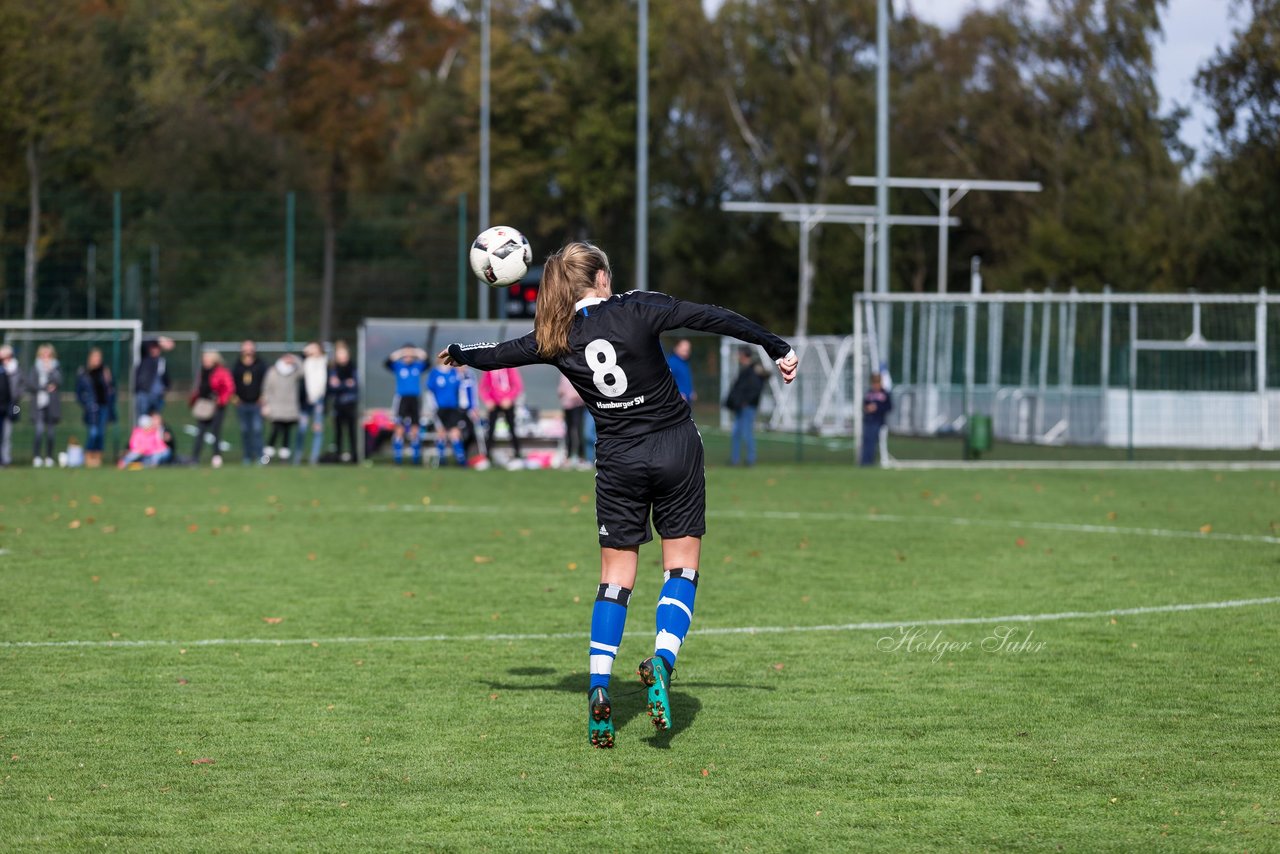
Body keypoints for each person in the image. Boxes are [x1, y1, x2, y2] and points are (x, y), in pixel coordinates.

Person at [437, 241, 797, 748]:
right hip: (675, 448)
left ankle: (600, 687)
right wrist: (773, 343)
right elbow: (710, 317)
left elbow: (499, 355)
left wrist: (459, 354)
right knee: (682, 568)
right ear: (602, 278)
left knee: (615, 579)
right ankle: (663, 660)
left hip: (619, 461)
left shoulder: (553, 336)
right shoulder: (638, 307)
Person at [725, 346, 769, 467]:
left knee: (747, 433)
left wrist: (746, 402)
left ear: (743, 355)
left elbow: (755, 389)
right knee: (736, 433)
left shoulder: (753, 370)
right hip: (740, 406)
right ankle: (735, 460)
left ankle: (751, 460)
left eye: (739, 354)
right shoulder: (745, 369)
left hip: (747, 407)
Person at [190, 349, 234, 466]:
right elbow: (198, 388)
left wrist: (221, 400)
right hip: (203, 404)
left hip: (216, 406)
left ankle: (216, 456)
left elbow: (229, 388)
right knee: (200, 432)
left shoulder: (221, 372)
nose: (205, 361)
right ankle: (195, 457)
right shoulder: (202, 372)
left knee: (216, 432)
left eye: (207, 359)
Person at [427, 354, 472, 467]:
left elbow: (461, 389)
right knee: (441, 433)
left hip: (453, 408)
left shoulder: (454, 373)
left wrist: (464, 405)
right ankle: (441, 460)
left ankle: (461, 460)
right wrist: (432, 407)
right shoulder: (435, 373)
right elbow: (430, 392)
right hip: (440, 408)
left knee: (455, 433)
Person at [385, 345, 428, 465]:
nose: (408, 357)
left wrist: (415, 352)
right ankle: (398, 458)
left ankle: (416, 458)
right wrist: (401, 352)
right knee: (399, 427)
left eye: (410, 355)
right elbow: (387, 362)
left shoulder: (417, 366)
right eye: (406, 355)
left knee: (415, 427)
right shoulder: (398, 366)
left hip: (415, 399)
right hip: (402, 399)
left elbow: (427, 361)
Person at [75, 347, 116, 468]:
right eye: (95, 357)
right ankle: (88, 455)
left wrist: (109, 381)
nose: (97, 359)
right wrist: (86, 403)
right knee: (93, 432)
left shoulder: (105, 371)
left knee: (101, 433)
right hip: (92, 408)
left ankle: (97, 458)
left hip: (104, 406)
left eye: (99, 357)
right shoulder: (84, 372)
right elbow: (79, 392)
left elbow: (111, 390)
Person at [262, 353, 302, 462]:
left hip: (290, 408)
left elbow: (302, 370)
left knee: (287, 433)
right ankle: (267, 456)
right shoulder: (273, 371)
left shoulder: (294, 371)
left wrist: (295, 359)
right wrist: (266, 404)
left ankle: (284, 457)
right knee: (275, 431)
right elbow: (267, 388)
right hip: (276, 407)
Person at [27, 344, 62, 468]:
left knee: (51, 433)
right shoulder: (35, 368)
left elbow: (59, 381)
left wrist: (51, 371)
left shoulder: (56, 367)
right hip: (39, 404)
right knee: (39, 431)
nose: (46, 357)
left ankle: (49, 457)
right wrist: (44, 388)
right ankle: (36, 456)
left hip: (52, 405)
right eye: (43, 355)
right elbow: (30, 384)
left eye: (48, 354)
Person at [479, 365, 523, 463]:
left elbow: (517, 385)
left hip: (507, 403)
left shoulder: (510, 368)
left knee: (512, 428)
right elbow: (483, 387)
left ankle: (517, 454)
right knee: (490, 430)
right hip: (494, 403)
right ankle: (487, 456)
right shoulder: (489, 369)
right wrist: (488, 400)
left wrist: (509, 398)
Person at [233, 340, 268, 465]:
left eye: (250, 348)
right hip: (242, 404)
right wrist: (235, 399)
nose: (248, 351)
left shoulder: (261, 365)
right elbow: (232, 384)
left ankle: (261, 457)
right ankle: (247, 456)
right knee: (245, 431)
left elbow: (267, 383)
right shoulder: (237, 365)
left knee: (257, 430)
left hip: (256, 404)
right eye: (245, 348)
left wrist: (263, 397)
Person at [328, 341, 359, 462]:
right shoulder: (333, 369)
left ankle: (354, 455)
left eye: (344, 354)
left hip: (350, 404)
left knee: (352, 431)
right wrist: (345, 384)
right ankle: (337, 455)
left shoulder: (353, 367)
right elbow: (332, 387)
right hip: (338, 405)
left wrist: (340, 384)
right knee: (338, 432)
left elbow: (354, 386)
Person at [298, 341, 328, 465]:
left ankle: (314, 458)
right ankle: (297, 458)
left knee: (317, 430)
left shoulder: (325, 363)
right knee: (302, 430)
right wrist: (305, 353)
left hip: (319, 401)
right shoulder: (304, 363)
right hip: (306, 400)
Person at [133, 337, 173, 417]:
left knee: (155, 420)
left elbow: (164, 376)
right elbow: (144, 343)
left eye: (157, 348)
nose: (155, 350)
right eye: (153, 348)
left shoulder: (161, 361)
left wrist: (167, 387)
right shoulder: (145, 358)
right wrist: (160, 340)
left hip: (158, 395)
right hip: (145, 393)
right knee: (143, 419)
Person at [860, 372, 893, 467]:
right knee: (867, 441)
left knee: (874, 442)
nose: (875, 385)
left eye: (877, 382)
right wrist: (867, 408)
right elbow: (864, 405)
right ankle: (865, 462)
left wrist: (877, 407)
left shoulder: (885, 394)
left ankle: (871, 462)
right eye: (874, 383)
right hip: (868, 421)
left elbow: (889, 407)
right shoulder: (869, 394)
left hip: (879, 421)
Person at [0, 344, 24, 467]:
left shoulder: (16, 369)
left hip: (11, 405)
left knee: (7, 434)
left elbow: (21, 387)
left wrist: (16, 399)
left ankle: (6, 459)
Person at [558, 373, 586, 468]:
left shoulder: (578, 369)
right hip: (567, 405)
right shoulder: (563, 371)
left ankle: (581, 457)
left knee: (578, 430)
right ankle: (569, 456)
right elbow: (561, 387)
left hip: (577, 404)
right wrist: (561, 392)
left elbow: (583, 388)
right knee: (568, 431)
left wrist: (573, 395)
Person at [666, 338, 695, 405]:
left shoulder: (685, 362)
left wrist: (691, 391)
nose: (686, 350)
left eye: (688, 348)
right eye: (683, 348)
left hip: (687, 400)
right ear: (676, 348)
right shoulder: (672, 362)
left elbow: (686, 379)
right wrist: (677, 393)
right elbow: (668, 380)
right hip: (676, 401)